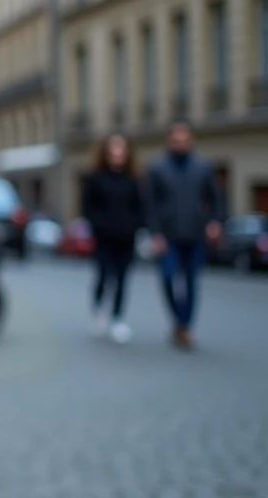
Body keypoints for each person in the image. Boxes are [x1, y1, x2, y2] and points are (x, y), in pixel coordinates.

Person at [145, 122, 225, 349]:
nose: (180, 143)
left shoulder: (203, 168)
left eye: (184, 139)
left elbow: (217, 199)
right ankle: (179, 321)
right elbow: (150, 205)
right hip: (168, 235)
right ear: (169, 140)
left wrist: (215, 222)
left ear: (191, 140)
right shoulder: (158, 169)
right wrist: (155, 233)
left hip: (195, 233)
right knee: (168, 278)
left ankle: (185, 326)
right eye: (176, 139)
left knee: (190, 281)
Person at [81, 133, 144, 344]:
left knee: (122, 279)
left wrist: (134, 227)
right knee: (103, 276)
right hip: (104, 238)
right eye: (113, 150)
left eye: (121, 150)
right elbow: (88, 208)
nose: (117, 154)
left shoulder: (133, 179)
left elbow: (140, 208)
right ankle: (99, 311)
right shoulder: (96, 178)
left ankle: (118, 319)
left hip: (126, 238)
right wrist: (101, 226)